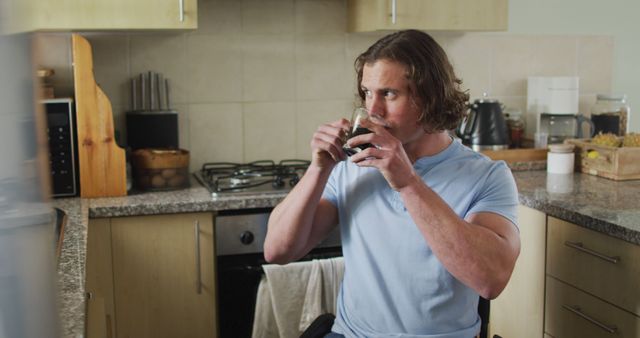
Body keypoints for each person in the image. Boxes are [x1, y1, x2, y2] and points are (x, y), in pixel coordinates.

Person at [264, 29, 520, 338]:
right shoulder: (351, 166)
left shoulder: (486, 176)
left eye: (389, 93)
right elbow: (277, 251)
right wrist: (318, 169)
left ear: (430, 97)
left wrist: (408, 183)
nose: (373, 110)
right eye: (367, 92)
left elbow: (491, 280)